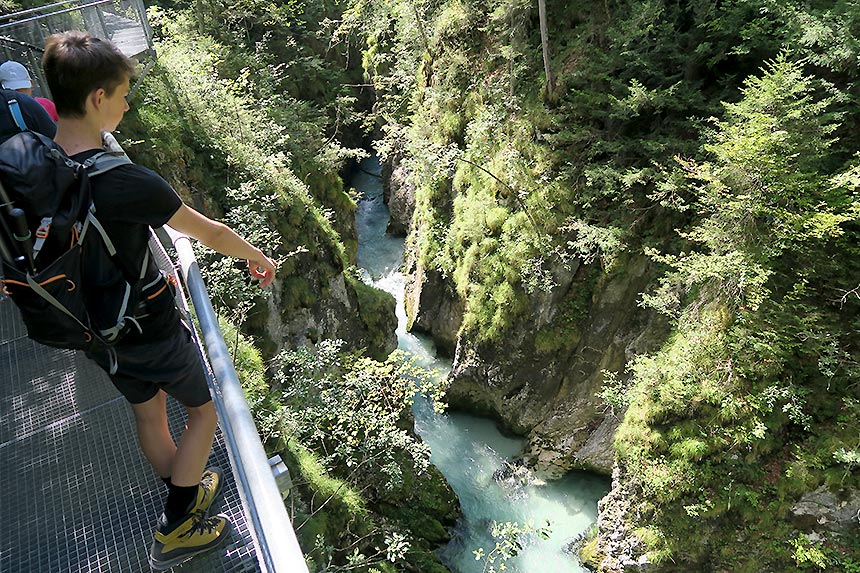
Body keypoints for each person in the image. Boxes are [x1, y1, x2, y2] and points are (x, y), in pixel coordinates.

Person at [41, 31, 277, 570]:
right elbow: (209, 232)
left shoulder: (41, 164)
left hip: (93, 327)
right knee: (205, 411)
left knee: (148, 415)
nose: (127, 104)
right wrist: (255, 256)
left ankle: (182, 484)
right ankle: (177, 526)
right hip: (149, 326)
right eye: (122, 94)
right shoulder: (127, 181)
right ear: (97, 98)